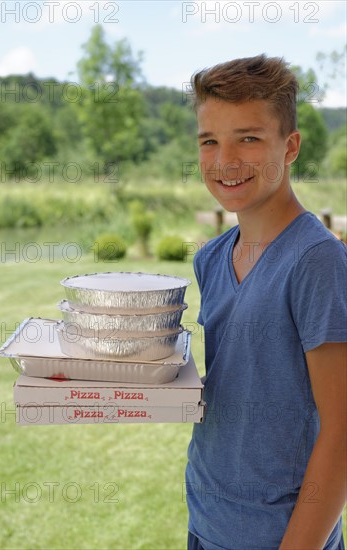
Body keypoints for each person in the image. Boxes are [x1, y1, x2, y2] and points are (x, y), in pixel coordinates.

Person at [185, 54, 347, 550]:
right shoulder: (211, 258)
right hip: (206, 521)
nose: (225, 161)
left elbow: (341, 432)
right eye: (210, 141)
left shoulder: (316, 261)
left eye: (248, 139)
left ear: (290, 146)